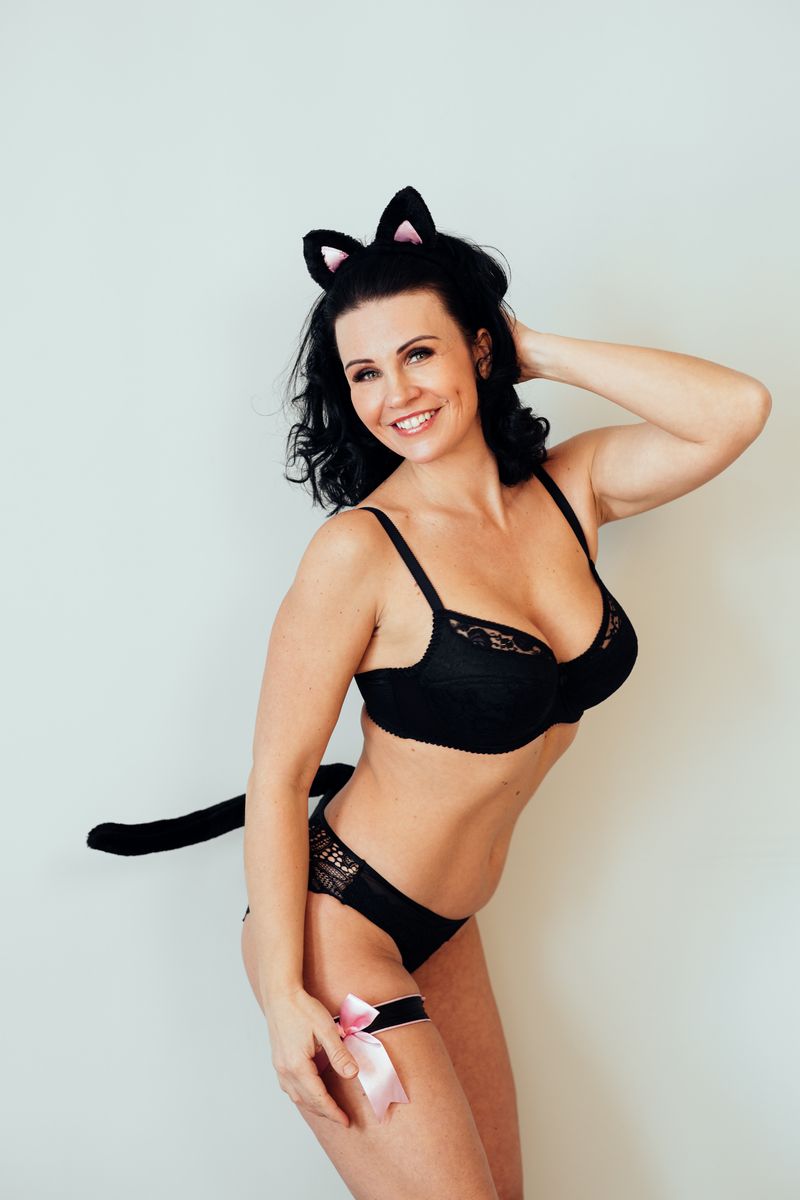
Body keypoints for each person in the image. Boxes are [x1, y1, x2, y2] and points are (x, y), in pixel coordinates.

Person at [87, 185, 771, 1199]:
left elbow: (735, 411)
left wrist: (536, 346)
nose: (394, 393)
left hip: (447, 928)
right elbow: (277, 777)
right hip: (339, 929)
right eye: (364, 371)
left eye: (419, 353)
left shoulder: (569, 489)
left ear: (479, 350)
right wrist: (283, 997)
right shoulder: (359, 550)